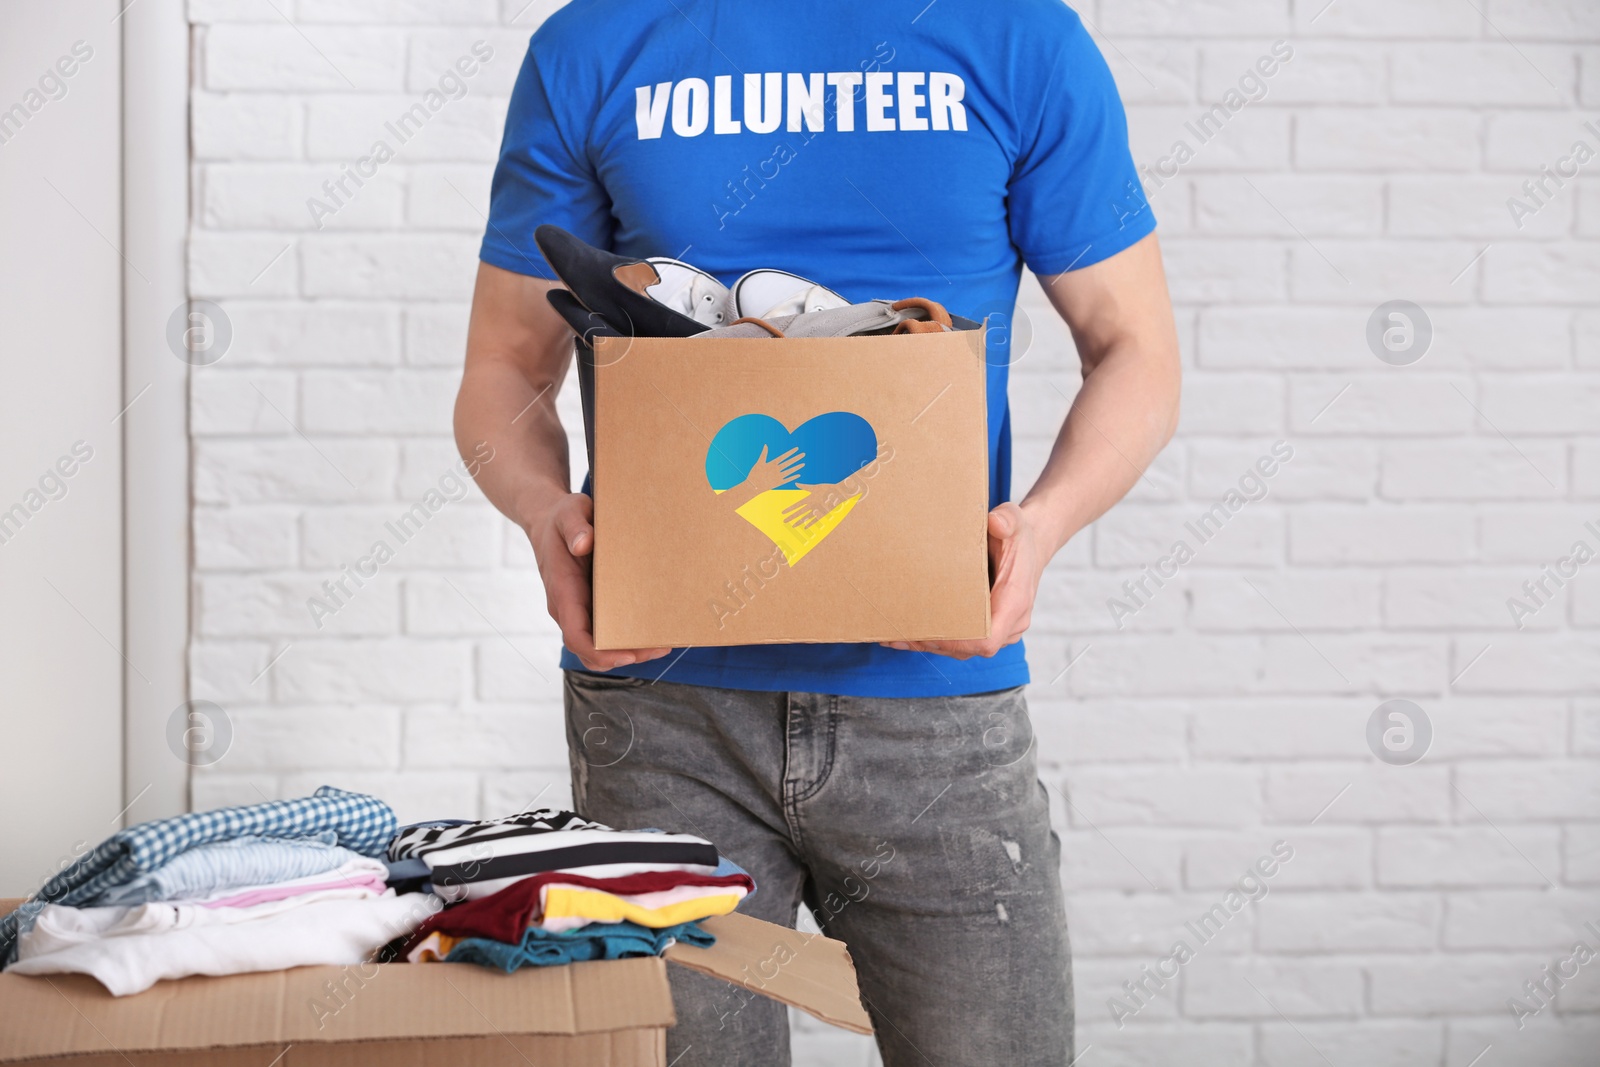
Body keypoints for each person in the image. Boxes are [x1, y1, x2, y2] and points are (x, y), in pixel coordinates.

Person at [453, 2, 1180, 1063]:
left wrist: (1044, 525)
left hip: (936, 709)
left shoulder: (1016, 39)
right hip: (662, 712)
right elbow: (503, 368)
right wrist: (540, 512)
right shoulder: (594, 44)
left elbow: (1137, 351)